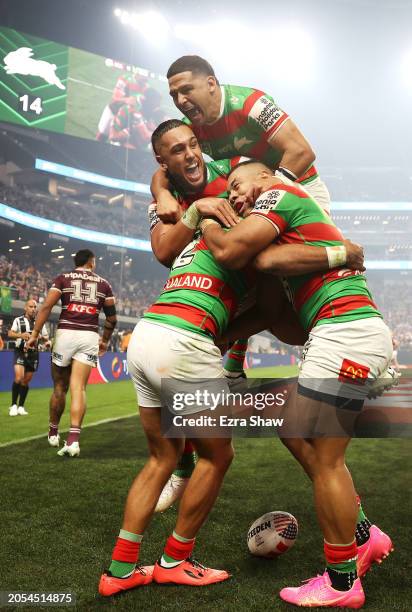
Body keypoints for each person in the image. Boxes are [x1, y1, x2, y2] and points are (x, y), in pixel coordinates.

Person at [99, 185, 359, 596]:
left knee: (161, 457)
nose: (243, 197)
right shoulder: (247, 236)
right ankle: (175, 561)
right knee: (217, 455)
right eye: (237, 189)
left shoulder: (209, 227)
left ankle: (120, 569)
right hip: (185, 340)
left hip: (146, 334)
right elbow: (276, 318)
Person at [198, 159, 395, 608]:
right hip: (336, 332)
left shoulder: (278, 195)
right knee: (289, 423)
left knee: (327, 460)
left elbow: (238, 252)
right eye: (227, 192)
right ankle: (364, 533)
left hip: (345, 331)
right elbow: (278, 321)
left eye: (237, 184)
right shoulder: (285, 234)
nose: (232, 195)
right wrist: (224, 333)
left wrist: (206, 218)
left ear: (265, 178)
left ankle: (343, 582)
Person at [150, 119, 364, 512]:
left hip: (267, 272)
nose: (191, 154)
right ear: (163, 163)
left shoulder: (227, 172)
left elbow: (296, 153)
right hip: (234, 287)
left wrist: (339, 252)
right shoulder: (171, 195)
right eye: (177, 151)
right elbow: (164, 253)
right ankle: (181, 464)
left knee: (306, 427)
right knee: (168, 358)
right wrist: (170, 196)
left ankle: (355, 522)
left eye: (193, 144)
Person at [157, 55, 329, 223]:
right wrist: (162, 194)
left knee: (302, 251)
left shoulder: (251, 104)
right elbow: (168, 166)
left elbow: (302, 152)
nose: (180, 101)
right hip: (251, 197)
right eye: (174, 95)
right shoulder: (189, 128)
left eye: (187, 90)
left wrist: (269, 187)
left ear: (210, 84)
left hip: (301, 185)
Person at [26, 249, 117, 457]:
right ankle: (74, 440)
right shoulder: (104, 284)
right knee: (79, 388)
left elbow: (47, 306)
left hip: (66, 333)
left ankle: (53, 431)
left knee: (60, 386)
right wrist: (104, 341)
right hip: (89, 336)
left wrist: (35, 334)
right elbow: (112, 319)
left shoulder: (63, 278)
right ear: (92, 262)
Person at [8, 299, 48, 416]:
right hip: (20, 351)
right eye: (31, 306)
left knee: (26, 381)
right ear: (25, 308)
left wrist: (43, 338)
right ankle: (13, 405)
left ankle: (21, 406)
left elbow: (45, 337)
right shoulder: (18, 320)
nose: (33, 309)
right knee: (19, 377)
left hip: (33, 354)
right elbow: (10, 333)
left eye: (35, 307)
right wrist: (21, 335)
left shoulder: (40, 322)